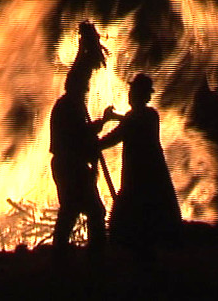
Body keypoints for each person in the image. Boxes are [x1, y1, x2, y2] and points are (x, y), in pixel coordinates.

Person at [49, 21, 114, 259]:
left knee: (73, 211)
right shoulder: (69, 107)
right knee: (91, 211)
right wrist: (102, 124)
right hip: (70, 166)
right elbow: (81, 135)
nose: (87, 88)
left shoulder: (70, 104)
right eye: (85, 86)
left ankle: (63, 257)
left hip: (70, 165)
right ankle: (93, 258)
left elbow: (83, 133)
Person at [99, 73, 182, 259]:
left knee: (132, 220)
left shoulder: (149, 116)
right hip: (138, 179)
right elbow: (122, 130)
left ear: (142, 95)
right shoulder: (135, 117)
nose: (130, 95)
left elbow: (124, 129)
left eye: (133, 91)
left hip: (144, 180)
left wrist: (97, 140)